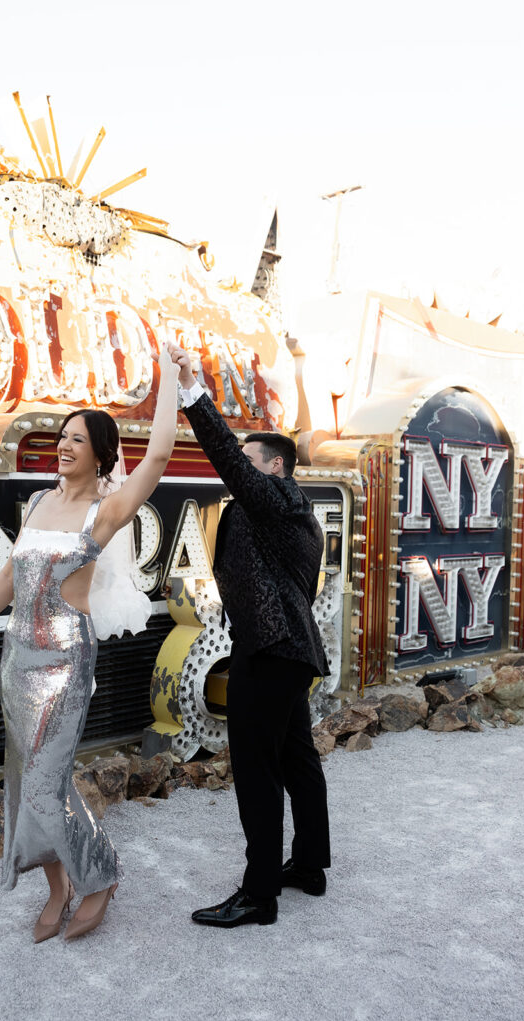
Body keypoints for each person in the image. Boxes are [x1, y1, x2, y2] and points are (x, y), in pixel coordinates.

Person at [0, 345, 179, 942]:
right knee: (27, 784)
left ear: (101, 456)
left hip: (64, 666)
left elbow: (156, 456)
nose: (65, 445)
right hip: (17, 663)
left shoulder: (104, 513)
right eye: (63, 436)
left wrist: (172, 377)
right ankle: (58, 888)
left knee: (49, 786)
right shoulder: (39, 502)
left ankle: (100, 876)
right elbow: (9, 576)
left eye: (79, 439)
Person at [169, 345, 331, 929]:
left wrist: (193, 394)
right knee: (296, 759)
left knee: (258, 773)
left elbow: (231, 466)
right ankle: (309, 866)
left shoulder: (281, 500)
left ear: (276, 467)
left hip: (269, 651)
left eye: (250, 458)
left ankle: (259, 894)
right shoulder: (291, 513)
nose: (240, 463)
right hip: (288, 651)